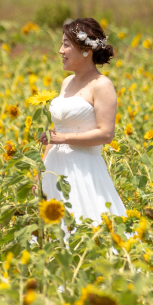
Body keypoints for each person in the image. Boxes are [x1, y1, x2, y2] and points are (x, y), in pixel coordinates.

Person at [40, 17, 126, 222]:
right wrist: (40, 172)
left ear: (86, 50)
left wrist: (64, 138)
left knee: (85, 227)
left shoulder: (102, 85)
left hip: (83, 170)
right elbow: (56, 131)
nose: (60, 50)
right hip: (54, 169)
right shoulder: (67, 82)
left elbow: (106, 134)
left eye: (66, 45)